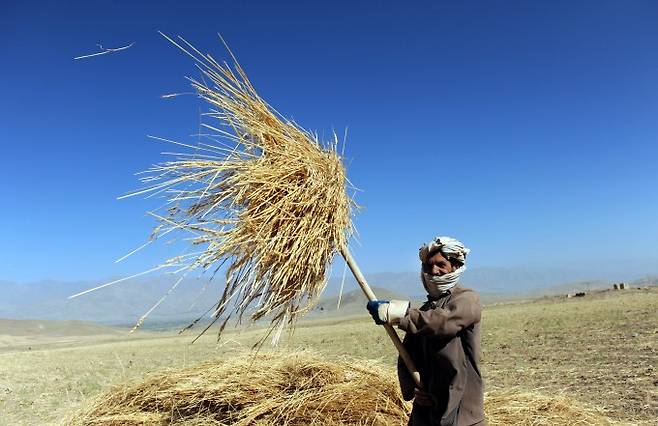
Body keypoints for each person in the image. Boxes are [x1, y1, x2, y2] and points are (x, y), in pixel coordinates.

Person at [366, 236, 485, 426]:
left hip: (461, 407)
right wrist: (414, 388)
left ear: (454, 266)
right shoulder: (425, 309)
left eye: (440, 265)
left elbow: (441, 324)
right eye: (428, 266)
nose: (433, 271)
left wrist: (397, 314)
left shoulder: (467, 299)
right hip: (427, 407)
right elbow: (407, 354)